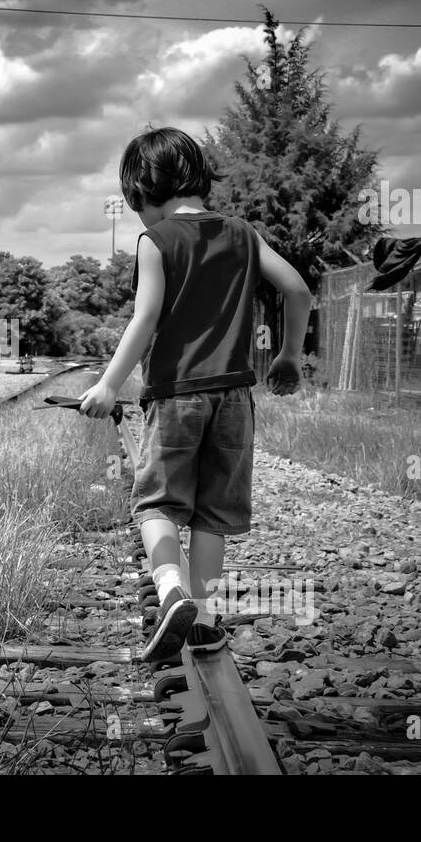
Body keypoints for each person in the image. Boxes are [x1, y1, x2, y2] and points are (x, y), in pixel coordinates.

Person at [79, 127, 310, 661]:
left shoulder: (155, 242)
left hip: (176, 392)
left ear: (144, 190)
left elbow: (147, 317)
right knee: (212, 515)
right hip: (234, 398)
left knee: (157, 504)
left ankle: (170, 591)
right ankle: (203, 618)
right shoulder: (243, 234)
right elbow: (297, 289)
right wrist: (289, 356)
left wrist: (110, 384)